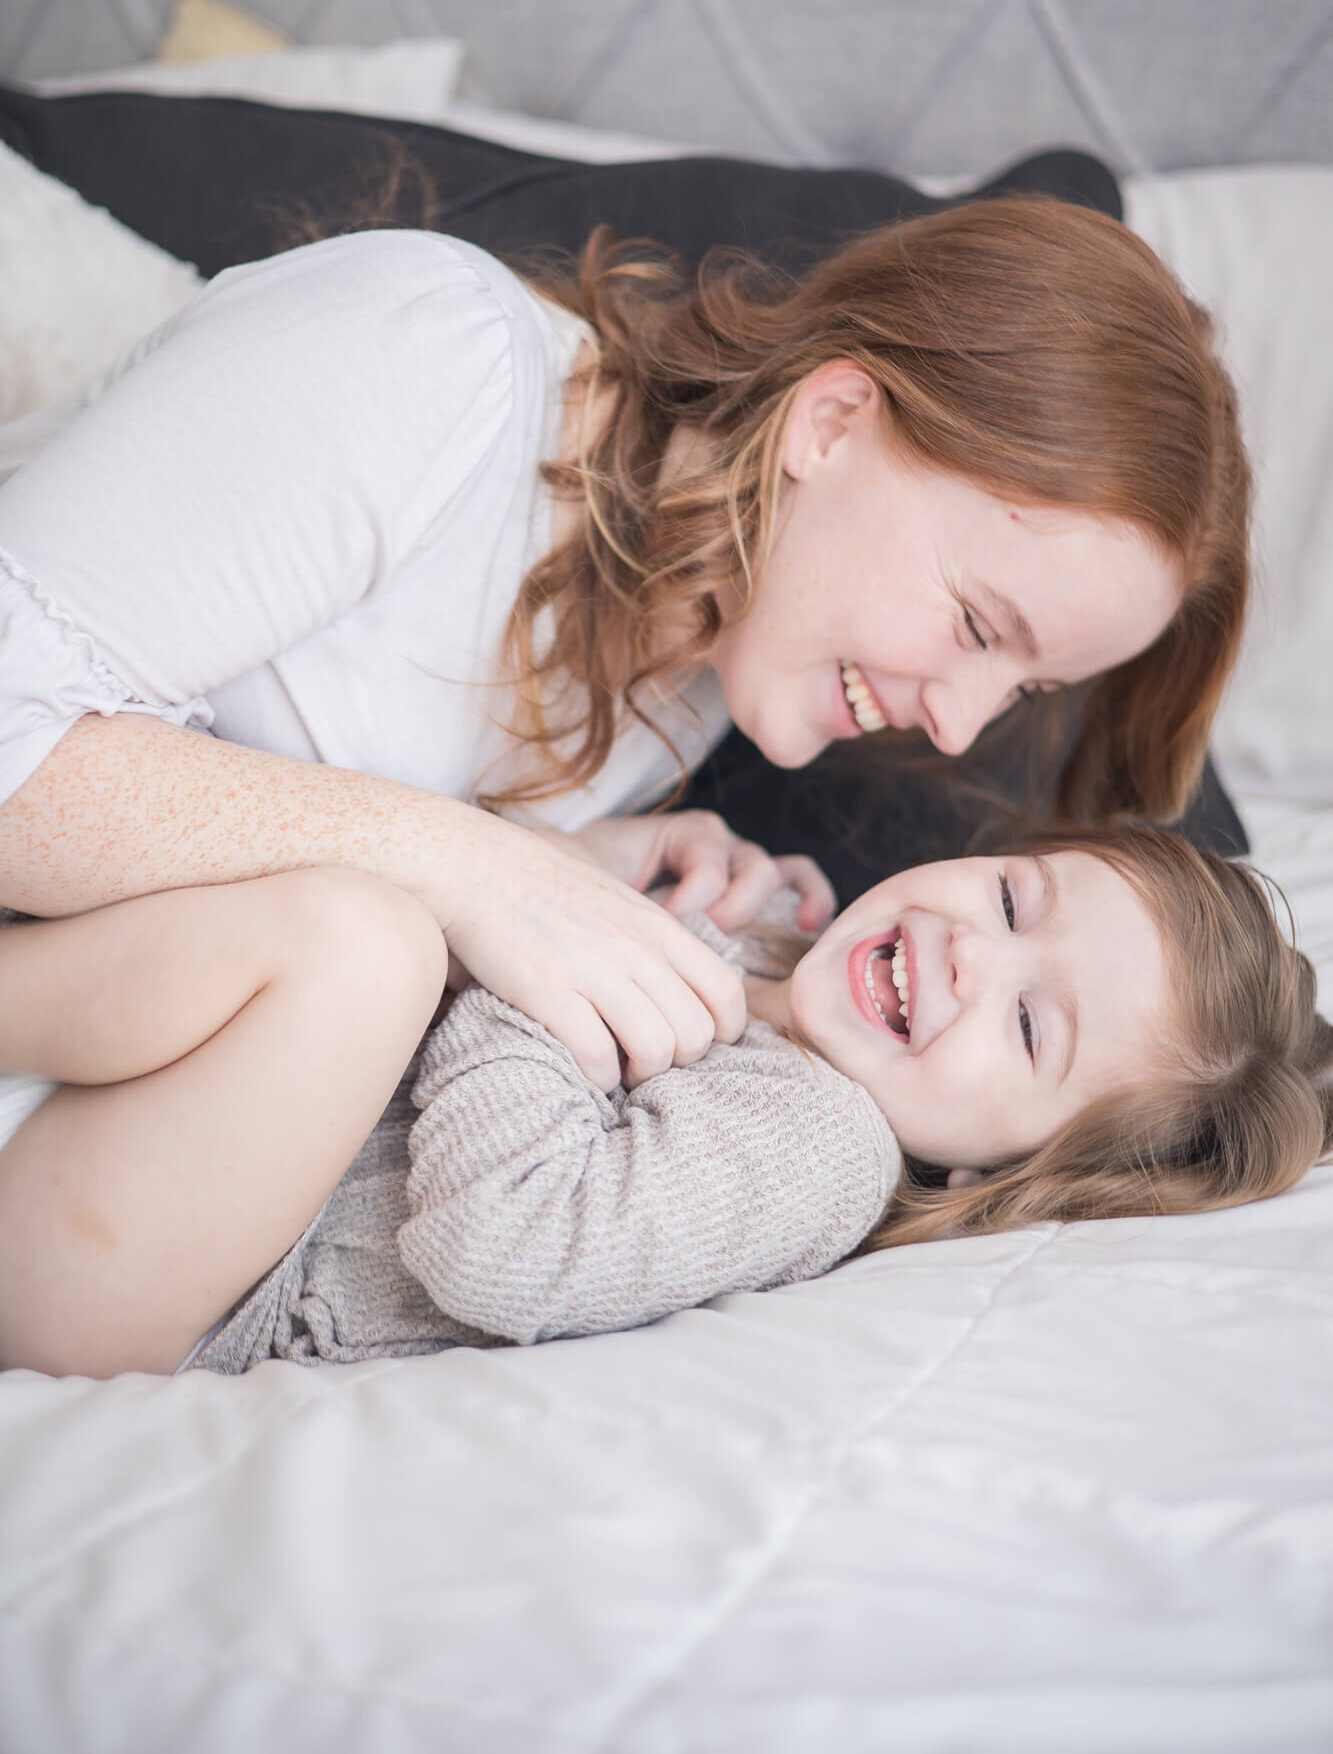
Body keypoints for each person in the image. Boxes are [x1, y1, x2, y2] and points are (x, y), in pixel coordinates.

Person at [0, 199, 1248, 1347]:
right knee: (362, 944)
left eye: (1022, 690)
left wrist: (566, 877)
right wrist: (473, 866)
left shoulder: (700, 678)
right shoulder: (429, 361)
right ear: (831, 422)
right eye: (980, 625)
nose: (959, 727)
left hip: (105, 1148)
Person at [1, 819, 1326, 1376]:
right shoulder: (771, 970)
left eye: (1034, 1027)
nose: (975, 953)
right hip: (129, 1136)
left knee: (359, 944)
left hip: (182, 1287)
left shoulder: (826, 1143)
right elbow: (497, 907)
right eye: (1008, 896)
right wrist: (601, 869)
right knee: (340, 906)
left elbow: (506, 1247)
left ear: (1002, 1170)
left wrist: (543, 944)